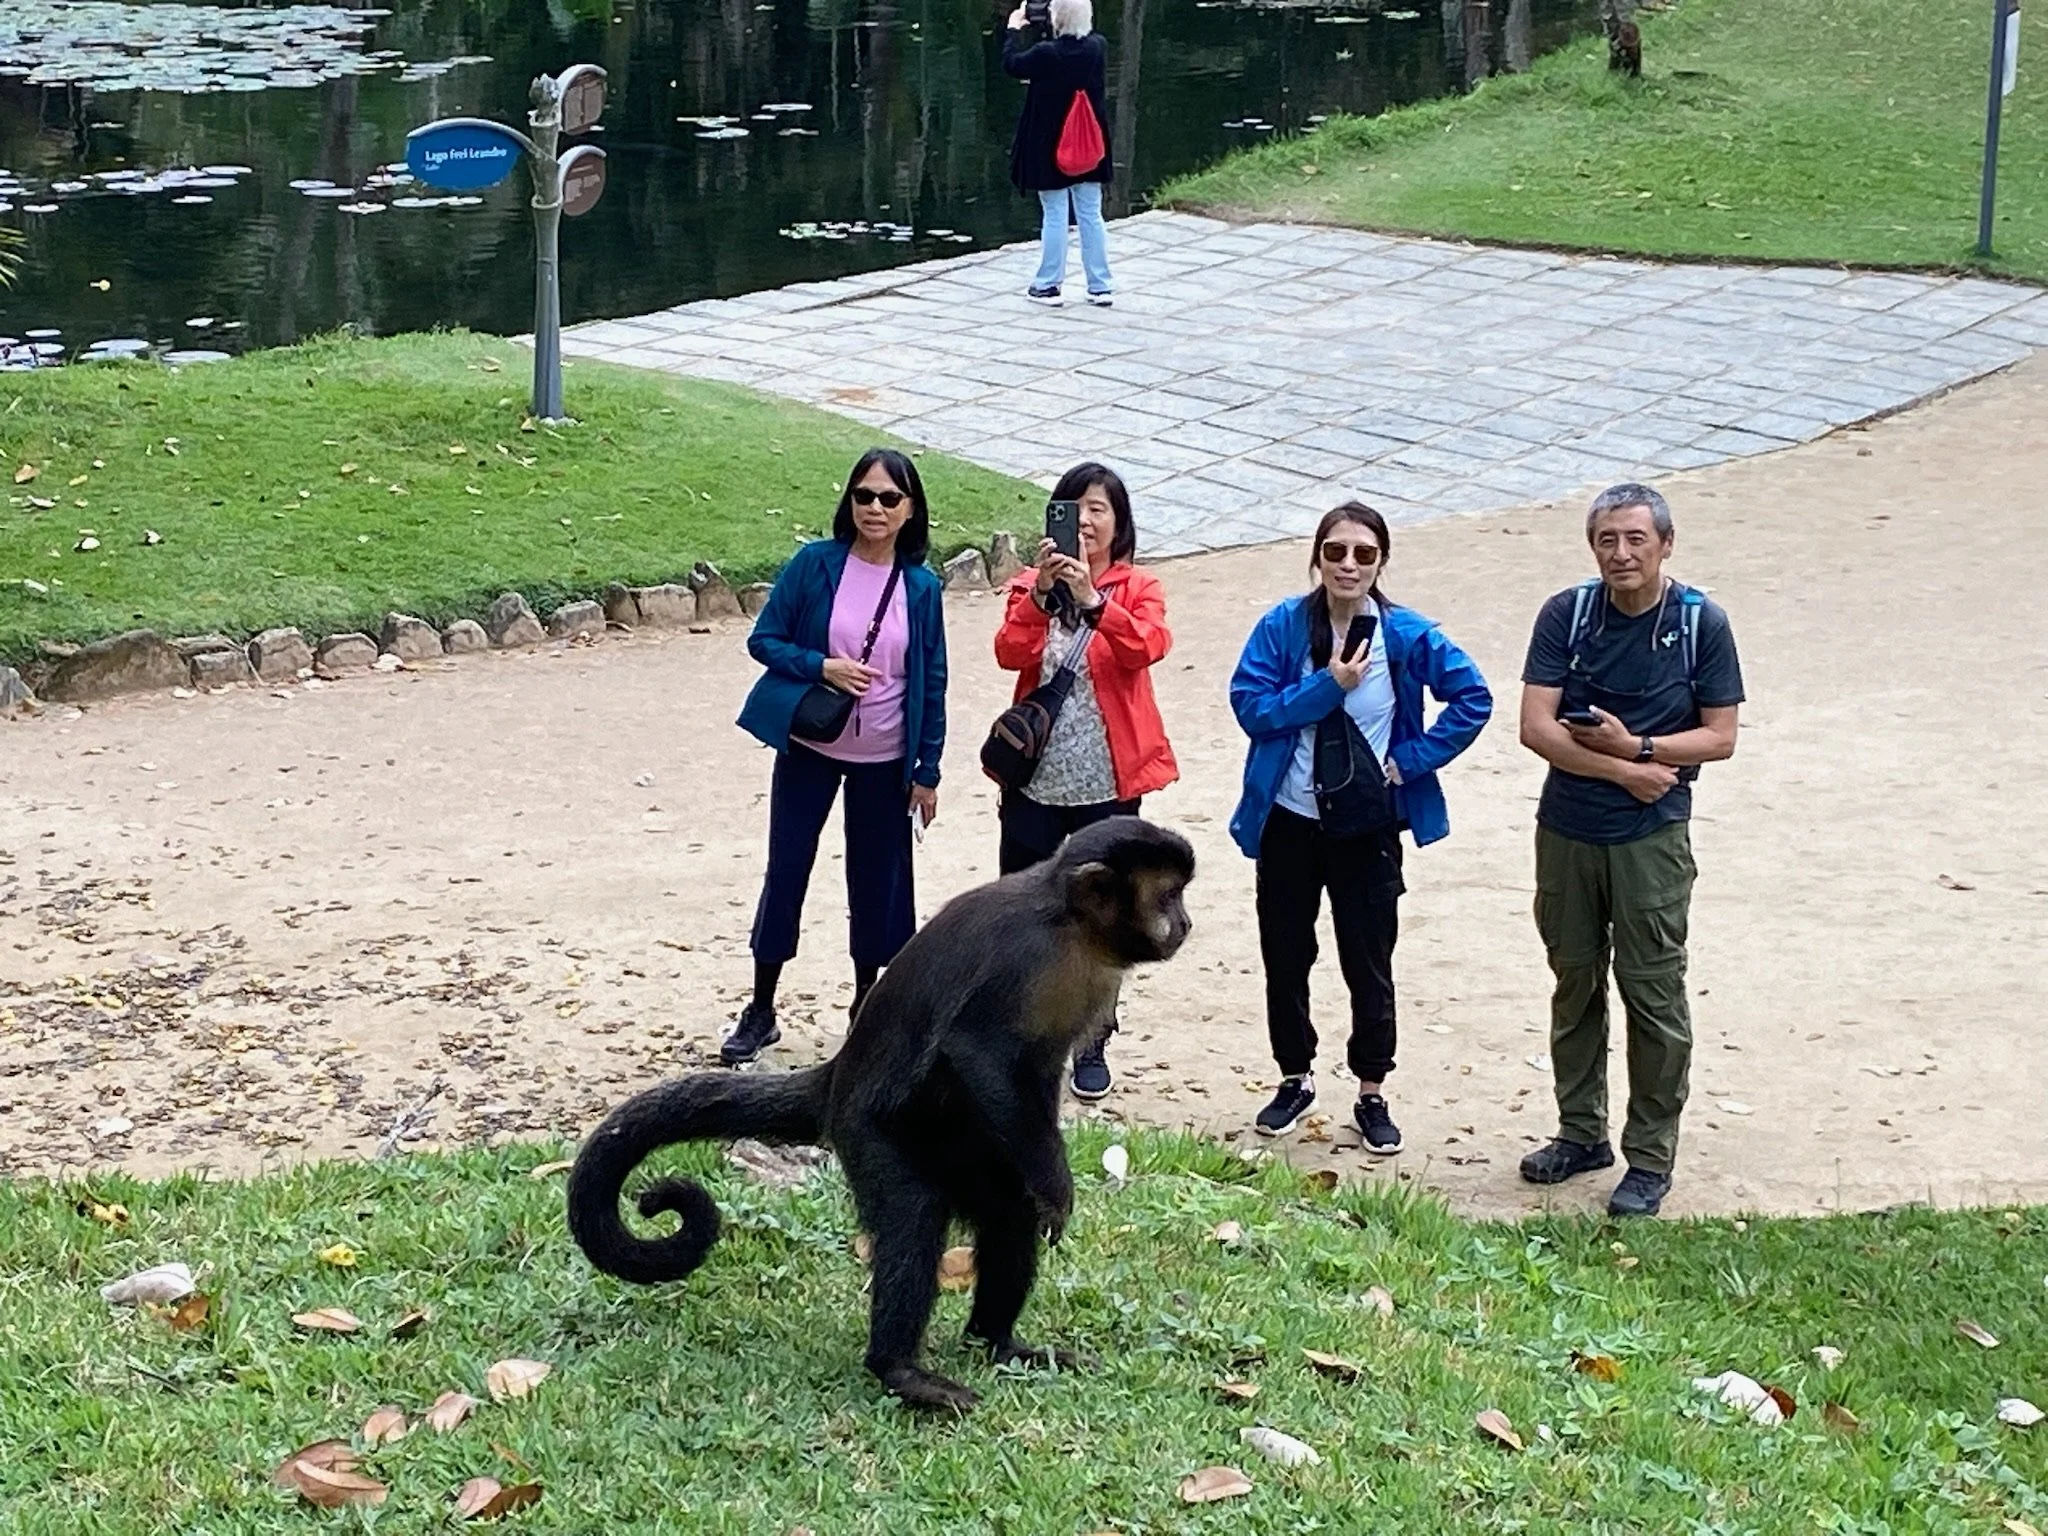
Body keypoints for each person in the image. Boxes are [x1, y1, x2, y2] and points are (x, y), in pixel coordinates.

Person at [1229, 503, 1493, 1152]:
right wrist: (1327, 686)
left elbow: (1473, 697)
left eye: (1364, 554)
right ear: (1316, 556)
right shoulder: (1282, 627)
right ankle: (1295, 1077)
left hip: (1366, 826)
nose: (1349, 565)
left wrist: (1411, 759)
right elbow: (1252, 708)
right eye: (1336, 551)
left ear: (1381, 563)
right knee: (1285, 957)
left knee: (1369, 961)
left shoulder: (1404, 635)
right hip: (1291, 821)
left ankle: (1372, 1089)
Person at [1517, 482, 1743, 1217]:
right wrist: (1625, 767)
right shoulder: (1566, 614)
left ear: (1665, 545)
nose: (1621, 553)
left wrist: (1641, 745)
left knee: (1652, 992)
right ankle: (1580, 1132)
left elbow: (1720, 736)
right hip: (1569, 829)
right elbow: (1536, 727)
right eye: (1608, 540)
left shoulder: (1701, 623)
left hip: (1652, 839)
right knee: (1573, 980)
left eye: (1636, 539)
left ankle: (1650, 1155)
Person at [726, 448, 948, 1066]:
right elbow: (763, 638)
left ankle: (867, 1005)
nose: (874, 508)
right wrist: (820, 665)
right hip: (811, 747)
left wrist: (927, 771)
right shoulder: (815, 565)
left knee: (878, 884)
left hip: (885, 759)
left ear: (910, 511)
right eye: (863, 495)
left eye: (888, 499)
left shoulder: (921, 588)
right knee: (787, 870)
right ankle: (762, 1007)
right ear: (848, 501)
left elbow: (932, 682)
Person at [993, 461, 1175, 1099]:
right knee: (1027, 906)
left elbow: (1146, 648)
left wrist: (1096, 602)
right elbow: (1010, 653)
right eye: (1075, 507)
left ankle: (1093, 1037)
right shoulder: (1030, 585)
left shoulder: (1137, 587)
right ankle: (1024, 1030)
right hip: (1036, 781)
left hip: (1107, 782)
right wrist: (1043, 596)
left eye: (1100, 508)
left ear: (1119, 522)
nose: (1088, 520)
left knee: (1107, 910)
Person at [1003, 0, 1114, 308]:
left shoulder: (1046, 55)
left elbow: (1012, 64)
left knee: (1055, 215)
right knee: (1091, 214)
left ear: (1056, 18)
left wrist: (1014, 28)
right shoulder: (1097, 48)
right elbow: (1080, 40)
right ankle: (1100, 285)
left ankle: (1048, 285)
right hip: (1089, 145)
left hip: (1049, 148)